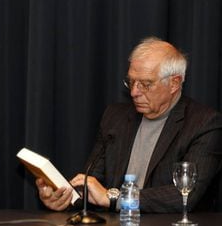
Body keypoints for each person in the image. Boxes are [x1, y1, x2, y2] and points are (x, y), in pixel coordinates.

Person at [36, 37, 222, 213]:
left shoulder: (204, 123)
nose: (134, 92)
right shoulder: (115, 117)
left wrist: (114, 198)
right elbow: (93, 184)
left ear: (174, 83)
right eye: (131, 82)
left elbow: (186, 195)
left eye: (145, 84)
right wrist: (65, 200)